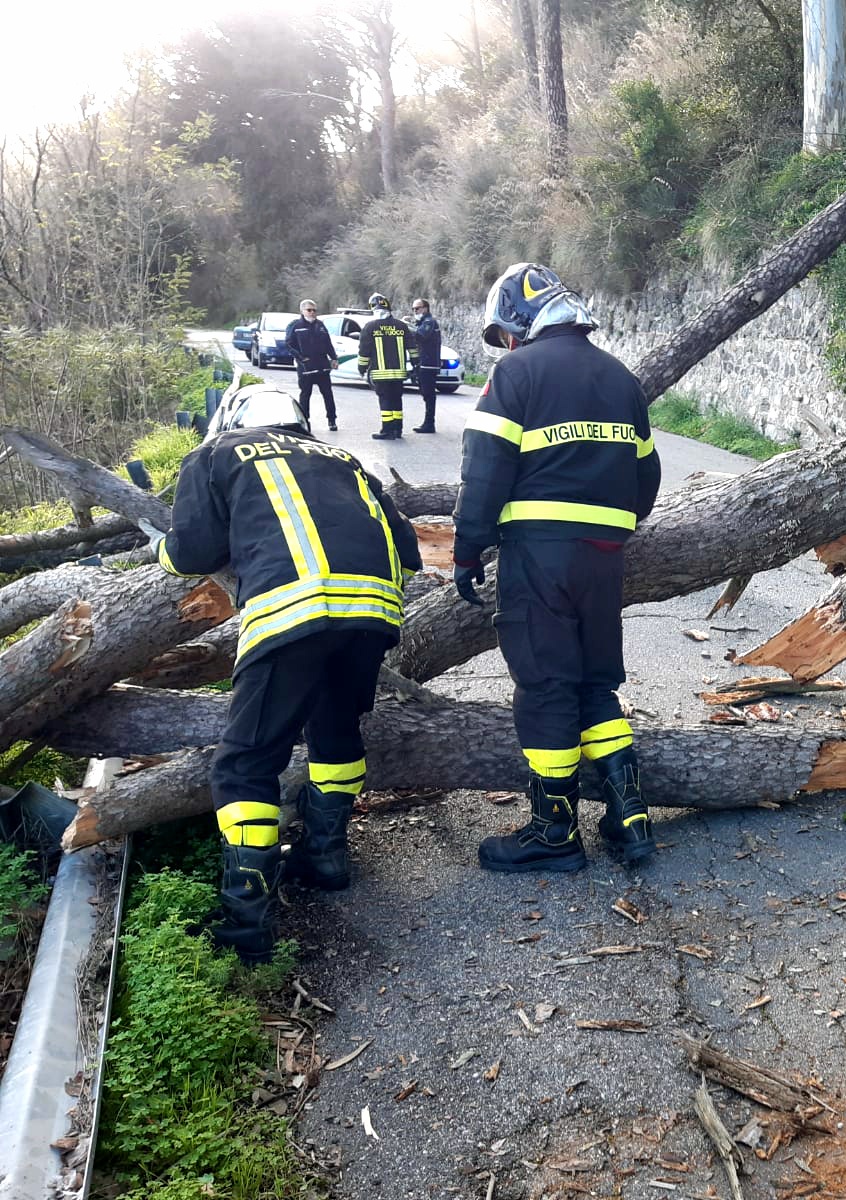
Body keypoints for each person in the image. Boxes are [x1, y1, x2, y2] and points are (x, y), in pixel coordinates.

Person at [148, 384, 422, 963]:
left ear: (233, 417)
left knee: (246, 761)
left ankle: (246, 923)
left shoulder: (216, 453)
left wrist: (160, 551)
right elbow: (408, 547)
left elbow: (190, 553)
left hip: (290, 610)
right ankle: (326, 857)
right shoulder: (344, 458)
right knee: (336, 732)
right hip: (373, 611)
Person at [452, 262, 661, 873]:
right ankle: (630, 819)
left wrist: (467, 548)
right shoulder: (622, 378)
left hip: (539, 554)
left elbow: (484, 467)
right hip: (604, 558)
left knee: (546, 687)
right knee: (593, 685)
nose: (505, 346)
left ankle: (553, 832)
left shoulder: (515, 372)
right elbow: (646, 478)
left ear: (518, 323)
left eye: (505, 335)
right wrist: (606, 525)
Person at [358, 293, 417, 441]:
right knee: (397, 400)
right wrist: (416, 364)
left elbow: (364, 351)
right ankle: (398, 429)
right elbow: (412, 348)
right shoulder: (401, 326)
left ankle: (387, 430)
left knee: (385, 401)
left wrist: (362, 368)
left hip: (381, 373)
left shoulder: (370, 327)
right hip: (399, 373)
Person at [283, 299, 339, 431]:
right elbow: (289, 345)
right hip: (306, 368)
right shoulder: (295, 326)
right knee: (305, 395)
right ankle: (304, 421)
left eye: (314, 310)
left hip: (322, 366)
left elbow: (328, 343)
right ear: (302, 311)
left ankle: (332, 420)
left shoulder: (320, 325)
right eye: (309, 310)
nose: (312, 313)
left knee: (328, 394)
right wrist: (301, 358)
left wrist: (334, 358)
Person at [410, 298, 442, 434]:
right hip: (424, 363)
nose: (415, 311)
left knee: (428, 394)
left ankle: (429, 423)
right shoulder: (423, 322)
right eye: (413, 309)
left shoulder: (429, 322)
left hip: (429, 364)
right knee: (425, 393)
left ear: (425, 308)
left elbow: (420, 336)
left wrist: (406, 326)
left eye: (417, 308)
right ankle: (428, 422)